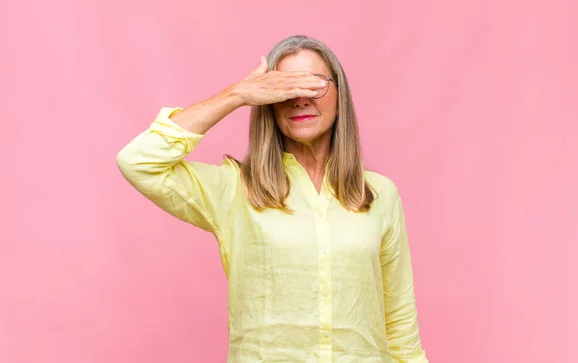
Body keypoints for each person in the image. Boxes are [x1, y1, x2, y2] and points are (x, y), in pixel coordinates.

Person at [117, 35, 429, 363]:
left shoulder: (380, 195)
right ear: (267, 100)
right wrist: (236, 94)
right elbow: (138, 161)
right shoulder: (234, 189)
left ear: (340, 94)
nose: (300, 98)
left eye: (314, 83)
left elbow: (400, 323)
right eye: (284, 87)